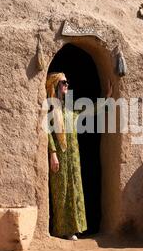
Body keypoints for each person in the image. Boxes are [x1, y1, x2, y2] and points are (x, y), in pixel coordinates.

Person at [46, 72, 112, 241]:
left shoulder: (70, 107)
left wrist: (107, 98)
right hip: (60, 156)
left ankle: (73, 229)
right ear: (55, 85)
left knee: (75, 190)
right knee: (62, 192)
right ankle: (60, 229)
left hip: (74, 156)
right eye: (63, 82)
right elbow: (47, 132)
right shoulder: (50, 108)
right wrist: (53, 154)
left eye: (67, 82)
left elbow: (89, 110)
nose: (67, 85)